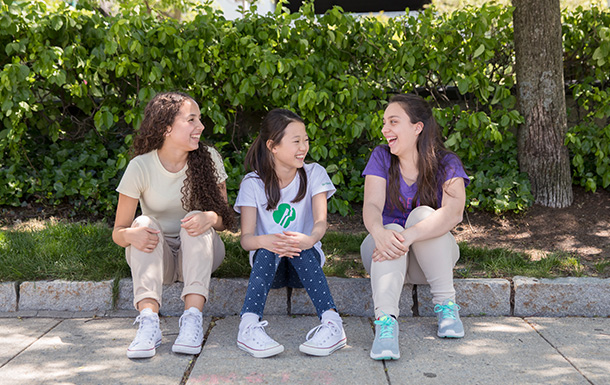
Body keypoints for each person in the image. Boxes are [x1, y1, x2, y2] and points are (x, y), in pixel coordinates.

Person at [112, 91, 235, 359]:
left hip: (202, 251)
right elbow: (119, 233)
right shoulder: (140, 167)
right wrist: (133, 234)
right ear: (166, 127)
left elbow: (225, 220)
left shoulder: (209, 158)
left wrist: (210, 217)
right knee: (143, 222)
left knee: (195, 219)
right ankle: (149, 324)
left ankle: (191, 319)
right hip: (159, 258)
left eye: (199, 119)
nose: (200, 126)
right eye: (191, 120)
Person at [360, 94, 469, 361]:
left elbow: (453, 214)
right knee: (390, 230)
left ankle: (446, 306)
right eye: (384, 122)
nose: (385, 130)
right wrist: (381, 233)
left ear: (417, 127)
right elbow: (372, 206)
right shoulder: (381, 157)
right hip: (382, 258)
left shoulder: (447, 163)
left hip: (430, 262)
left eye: (393, 122)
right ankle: (385, 325)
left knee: (422, 215)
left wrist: (407, 236)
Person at [233, 108, 346, 358]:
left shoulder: (314, 173)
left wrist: (309, 239)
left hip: (303, 266)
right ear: (273, 146)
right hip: (268, 268)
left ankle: (332, 323)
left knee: (300, 246)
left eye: (305, 139)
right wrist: (268, 241)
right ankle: (248, 326)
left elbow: (320, 222)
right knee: (266, 249)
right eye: (296, 141)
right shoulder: (253, 183)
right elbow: (246, 240)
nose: (303, 146)